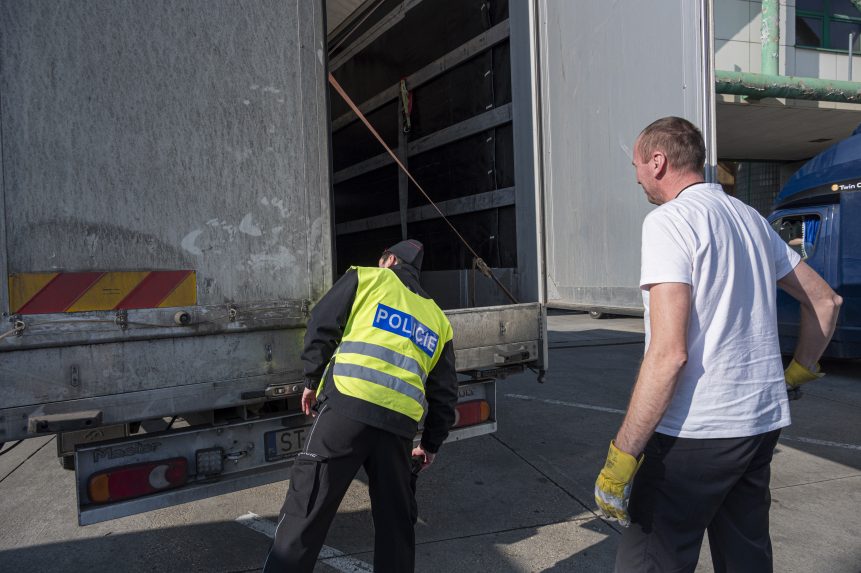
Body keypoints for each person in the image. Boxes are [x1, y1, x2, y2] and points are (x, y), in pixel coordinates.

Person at [593, 117, 842, 572]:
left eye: (635, 165)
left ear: (658, 161)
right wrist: (798, 371)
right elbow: (825, 302)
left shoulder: (669, 222)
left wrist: (623, 455)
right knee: (744, 555)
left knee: (649, 560)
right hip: (759, 425)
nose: (635, 177)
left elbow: (669, 354)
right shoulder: (750, 219)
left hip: (696, 433)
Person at [263, 239, 458, 573]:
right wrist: (429, 445)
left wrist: (311, 379)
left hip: (346, 409)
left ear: (390, 260)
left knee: (307, 508)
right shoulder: (438, 320)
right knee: (396, 524)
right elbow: (445, 393)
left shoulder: (366, 277)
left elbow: (322, 324)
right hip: (398, 428)